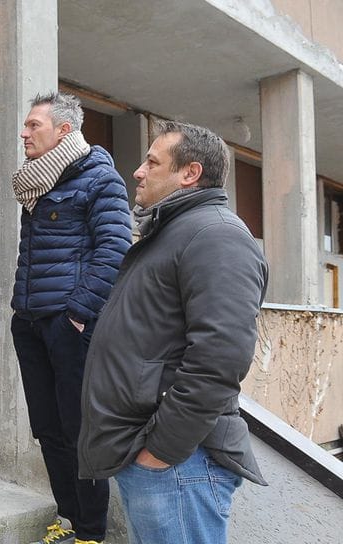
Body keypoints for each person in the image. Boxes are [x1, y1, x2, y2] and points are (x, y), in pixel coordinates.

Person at [78, 121, 268, 543]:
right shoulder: (173, 233)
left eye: (152, 162)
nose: (138, 171)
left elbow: (220, 357)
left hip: (179, 463)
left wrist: (161, 451)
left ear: (190, 173)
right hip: (157, 457)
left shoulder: (216, 235)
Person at [9, 92, 132, 544]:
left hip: (69, 324)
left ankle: (90, 533)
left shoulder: (100, 179)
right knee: (48, 428)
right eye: (25, 125)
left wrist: (78, 313)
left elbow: (115, 249)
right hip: (29, 320)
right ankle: (67, 517)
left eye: (34, 125)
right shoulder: (37, 182)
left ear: (64, 130)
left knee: (79, 429)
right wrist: (22, 313)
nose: (24, 133)